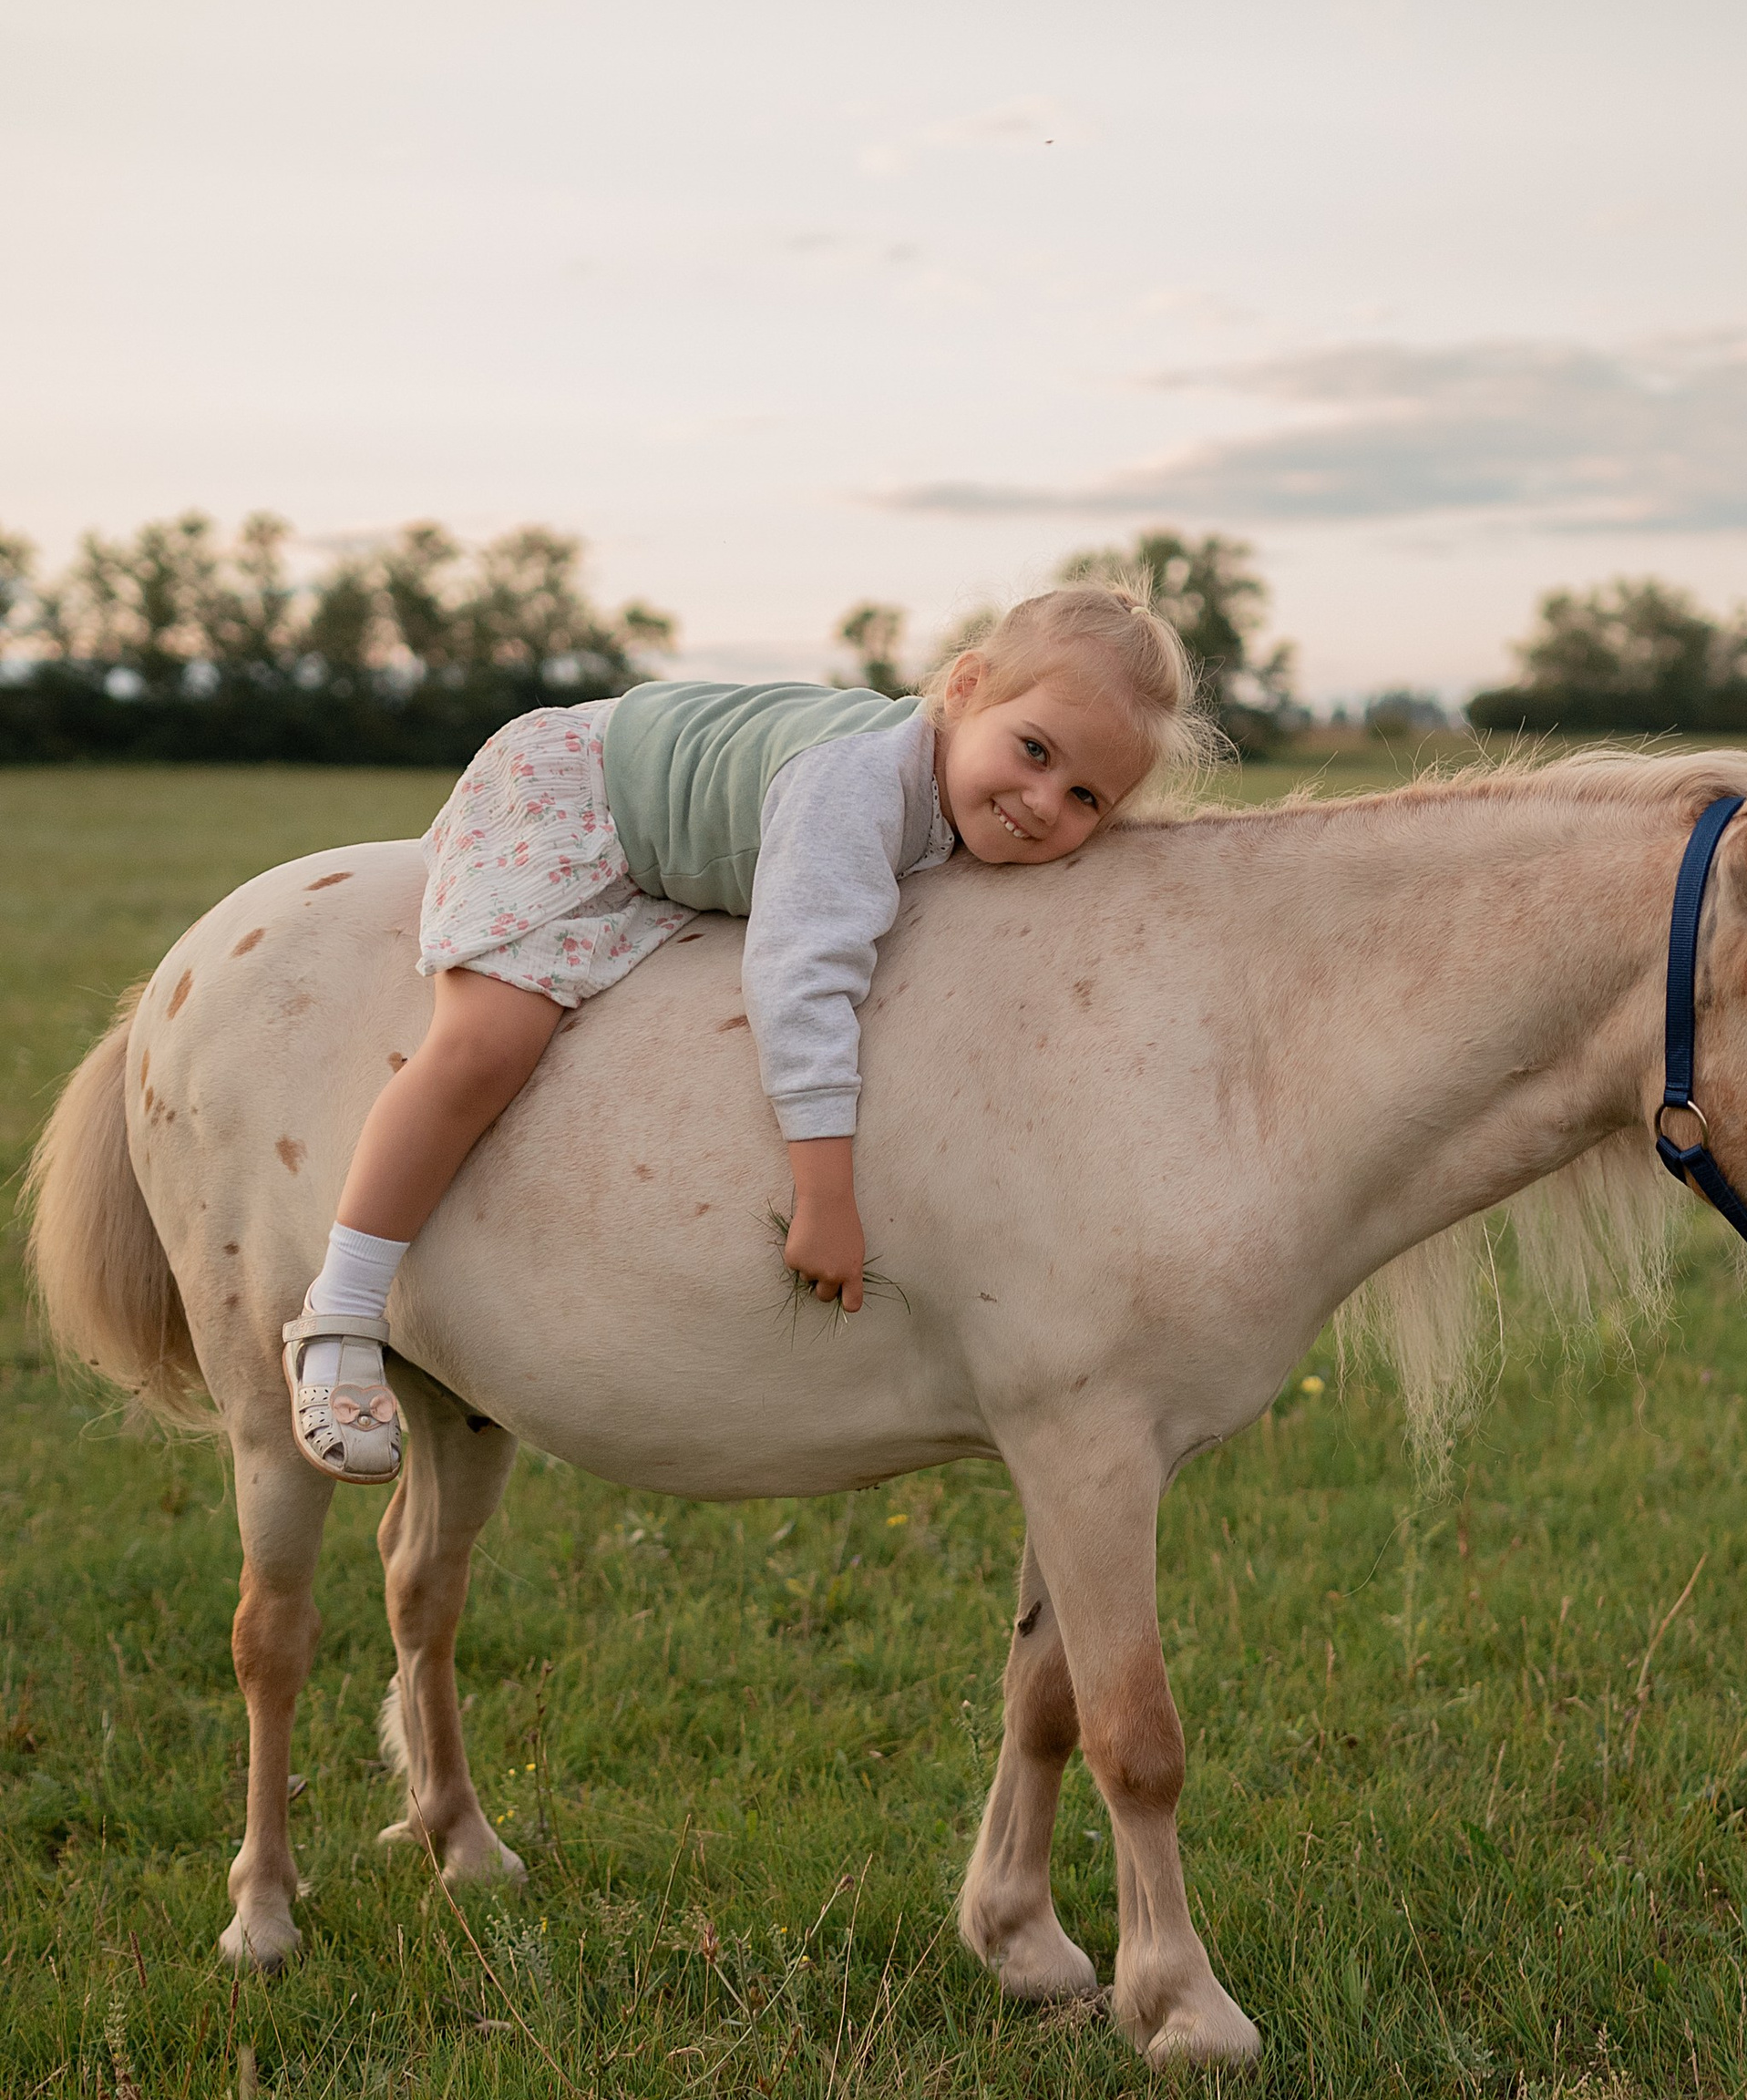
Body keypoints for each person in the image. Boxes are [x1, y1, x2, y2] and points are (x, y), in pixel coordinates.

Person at [282, 583, 1207, 1481]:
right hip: (576, 792)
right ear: (963, 691)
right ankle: (343, 1311)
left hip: (665, 790)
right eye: (1035, 750)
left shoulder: (962, 789)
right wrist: (825, 1195)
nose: (1046, 803)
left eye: (1088, 798)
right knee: (486, 1044)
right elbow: (802, 976)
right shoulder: (855, 790)